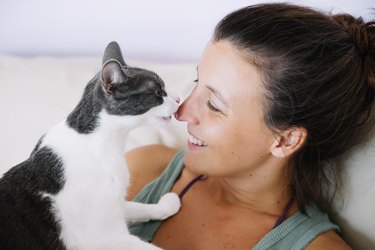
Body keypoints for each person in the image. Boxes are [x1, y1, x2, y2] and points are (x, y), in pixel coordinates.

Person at [126, 3, 375, 249]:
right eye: (196, 80)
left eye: (213, 104)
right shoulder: (144, 169)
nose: (181, 112)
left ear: (285, 140)